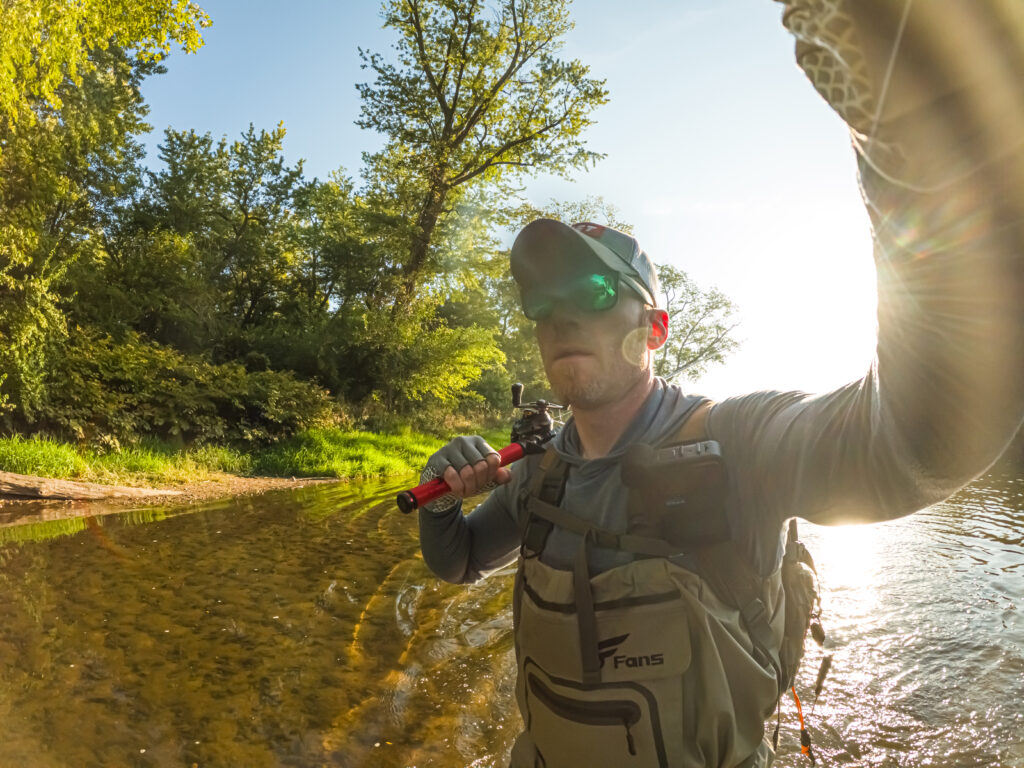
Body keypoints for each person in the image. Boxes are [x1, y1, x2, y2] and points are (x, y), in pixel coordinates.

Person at [417, 2, 1024, 766]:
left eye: (597, 296)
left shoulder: (738, 443)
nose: (562, 317)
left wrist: (906, 140)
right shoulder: (537, 470)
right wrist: (438, 496)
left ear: (656, 330)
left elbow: (917, 441)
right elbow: (460, 561)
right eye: (544, 303)